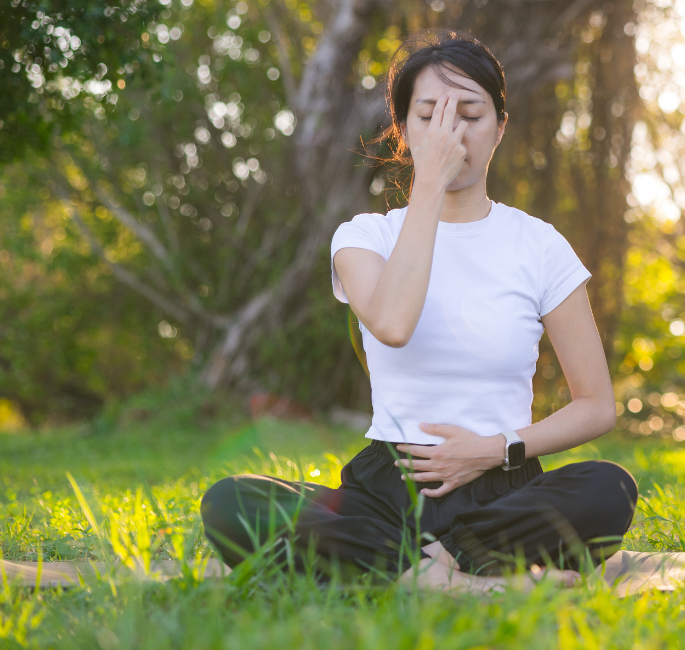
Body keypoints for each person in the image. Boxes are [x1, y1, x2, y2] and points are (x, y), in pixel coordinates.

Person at [199, 30, 638, 592]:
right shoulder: (365, 237)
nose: (450, 132)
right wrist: (428, 187)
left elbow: (597, 405)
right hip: (388, 489)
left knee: (608, 488)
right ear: (403, 130)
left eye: (470, 114)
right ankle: (467, 581)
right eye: (429, 115)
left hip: (504, 484)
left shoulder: (540, 244)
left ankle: (415, 569)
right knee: (234, 502)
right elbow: (393, 324)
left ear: (500, 128)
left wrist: (493, 449)